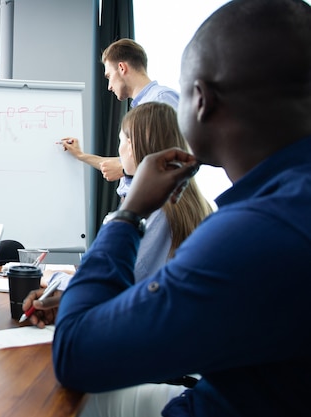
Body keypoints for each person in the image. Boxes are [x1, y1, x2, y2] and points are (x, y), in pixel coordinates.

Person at [52, 1, 311, 416]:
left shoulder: (257, 233)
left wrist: (128, 214)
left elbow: (76, 355)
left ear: (201, 102)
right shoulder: (286, 204)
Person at [23, 102, 212, 327]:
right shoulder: (189, 203)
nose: (119, 150)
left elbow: (114, 285)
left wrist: (55, 279)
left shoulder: (156, 211)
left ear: (132, 147)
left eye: (121, 140)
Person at [60, 38, 179, 182]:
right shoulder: (139, 107)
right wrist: (81, 155)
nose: (109, 86)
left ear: (122, 68)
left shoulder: (161, 99)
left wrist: (124, 171)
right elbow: (128, 162)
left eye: (109, 76)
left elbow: (176, 156)